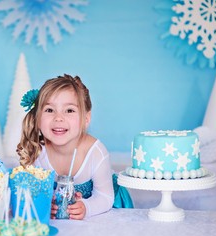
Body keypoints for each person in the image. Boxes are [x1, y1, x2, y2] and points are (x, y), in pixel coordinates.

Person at [16, 74, 132, 220]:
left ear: (85, 119)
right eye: (49, 110)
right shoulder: (37, 151)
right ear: (37, 118)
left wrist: (86, 207)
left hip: (104, 209)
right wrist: (46, 204)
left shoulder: (95, 152)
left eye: (69, 110)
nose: (58, 117)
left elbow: (104, 197)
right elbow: (31, 193)